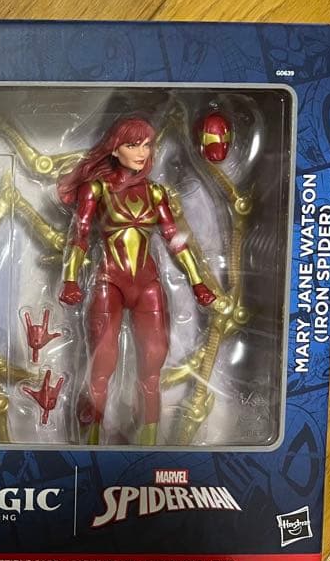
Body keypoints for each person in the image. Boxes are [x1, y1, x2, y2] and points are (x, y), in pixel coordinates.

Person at [57, 117, 215, 446]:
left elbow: (176, 241)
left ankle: (149, 443)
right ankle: (91, 441)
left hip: (147, 285)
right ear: (115, 149)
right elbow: (80, 235)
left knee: (152, 367)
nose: (142, 152)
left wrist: (198, 282)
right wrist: (70, 280)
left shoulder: (155, 193)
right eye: (133, 145)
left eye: (146, 145)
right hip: (109, 282)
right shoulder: (97, 189)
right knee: (102, 365)